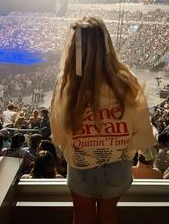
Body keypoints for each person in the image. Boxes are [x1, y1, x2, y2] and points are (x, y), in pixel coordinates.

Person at [51, 16, 156, 224]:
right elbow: (142, 128)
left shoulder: (66, 84)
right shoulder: (126, 80)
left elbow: (59, 132)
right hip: (117, 165)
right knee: (109, 214)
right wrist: (126, 149)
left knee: (82, 215)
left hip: (80, 162)